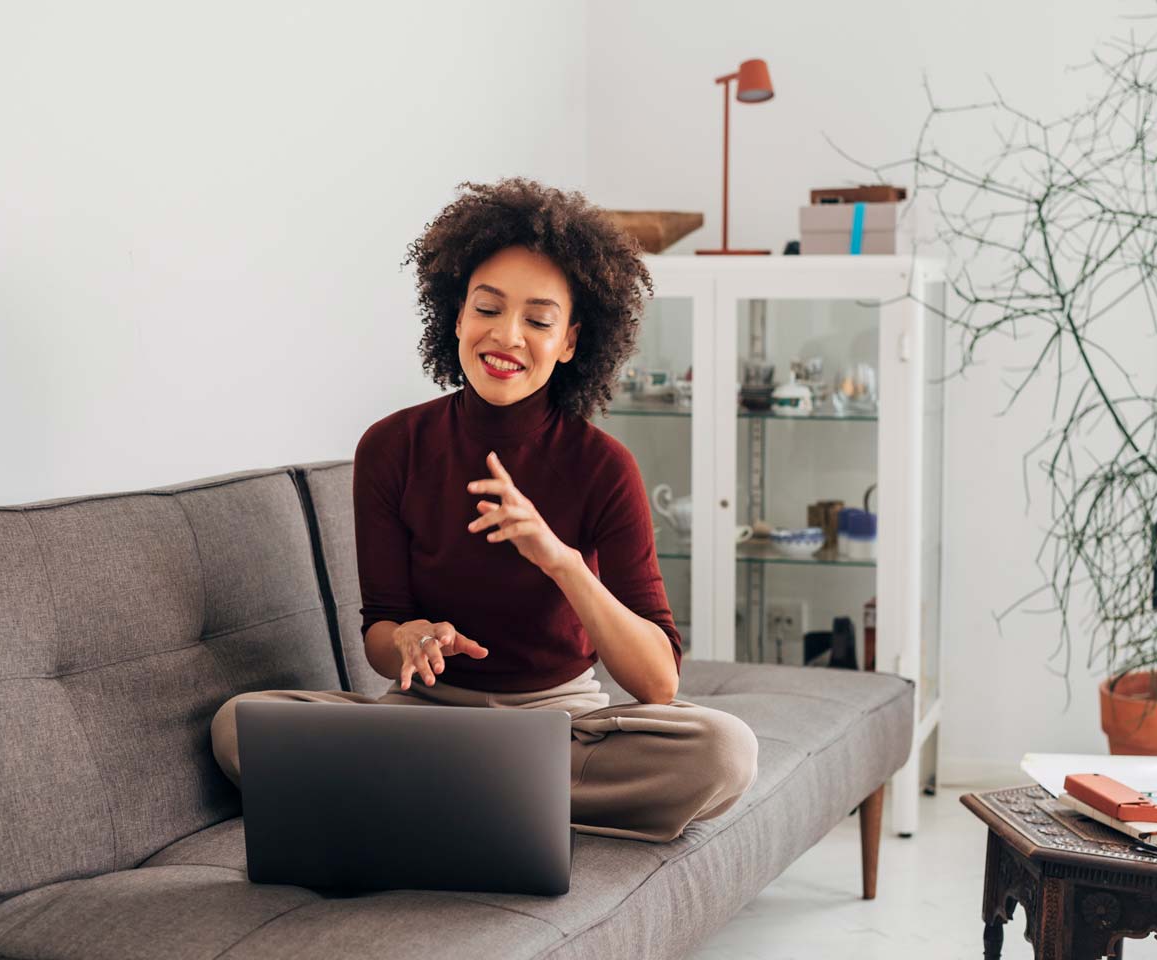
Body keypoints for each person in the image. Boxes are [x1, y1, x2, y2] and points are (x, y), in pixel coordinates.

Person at [211, 177, 758, 843]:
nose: (507, 336)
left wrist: (560, 562)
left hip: (560, 727)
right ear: (457, 316)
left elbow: (657, 683)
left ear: (571, 342)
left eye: (537, 319)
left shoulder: (604, 467)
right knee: (240, 725)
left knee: (723, 751)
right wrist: (410, 636)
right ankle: (496, 796)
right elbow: (382, 638)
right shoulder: (392, 447)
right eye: (488, 309)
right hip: (427, 721)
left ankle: (436, 798)